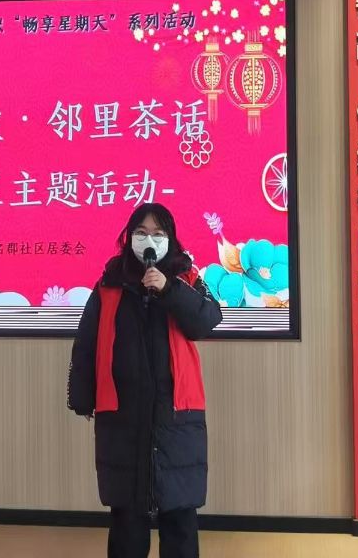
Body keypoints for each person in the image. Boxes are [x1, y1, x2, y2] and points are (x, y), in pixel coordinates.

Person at [67, 203, 222, 558]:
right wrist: (83, 396)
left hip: (176, 417)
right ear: (129, 238)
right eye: (141, 233)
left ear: (170, 239)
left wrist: (168, 289)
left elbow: (207, 320)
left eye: (157, 233)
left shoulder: (186, 277)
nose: (149, 240)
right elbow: (87, 342)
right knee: (127, 520)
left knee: (179, 516)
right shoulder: (109, 283)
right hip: (123, 417)